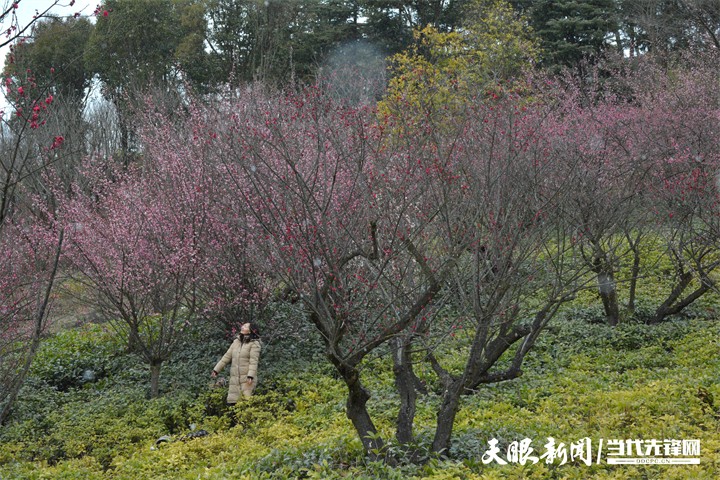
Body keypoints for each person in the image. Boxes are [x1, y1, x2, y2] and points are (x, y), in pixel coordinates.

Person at [211, 322, 262, 404]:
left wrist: (250, 376)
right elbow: (226, 357)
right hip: (234, 379)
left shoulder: (254, 344)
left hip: (247, 380)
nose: (242, 327)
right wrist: (216, 370)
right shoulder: (236, 342)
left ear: (250, 331)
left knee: (246, 404)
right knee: (232, 404)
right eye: (243, 325)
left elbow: (254, 362)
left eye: (245, 326)